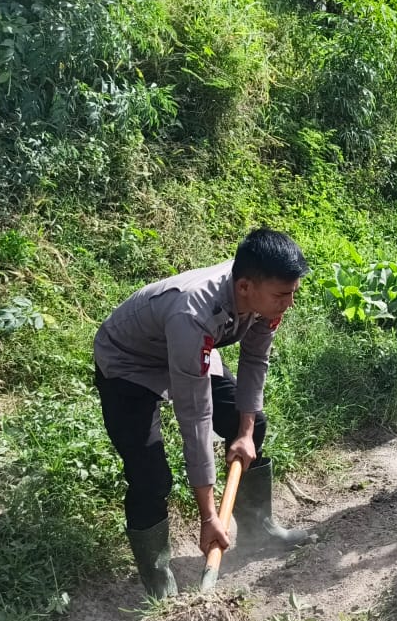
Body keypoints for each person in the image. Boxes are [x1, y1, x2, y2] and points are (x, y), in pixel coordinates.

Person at [93, 229, 315, 599]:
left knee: (252, 423)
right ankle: (158, 579)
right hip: (129, 364)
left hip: (192, 351)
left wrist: (243, 433)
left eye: (292, 293)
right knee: (150, 476)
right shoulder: (193, 312)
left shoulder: (265, 299)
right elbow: (195, 418)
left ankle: (259, 528)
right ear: (245, 287)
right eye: (282, 295)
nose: (288, 303)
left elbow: (255, 360)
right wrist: (209, 516)